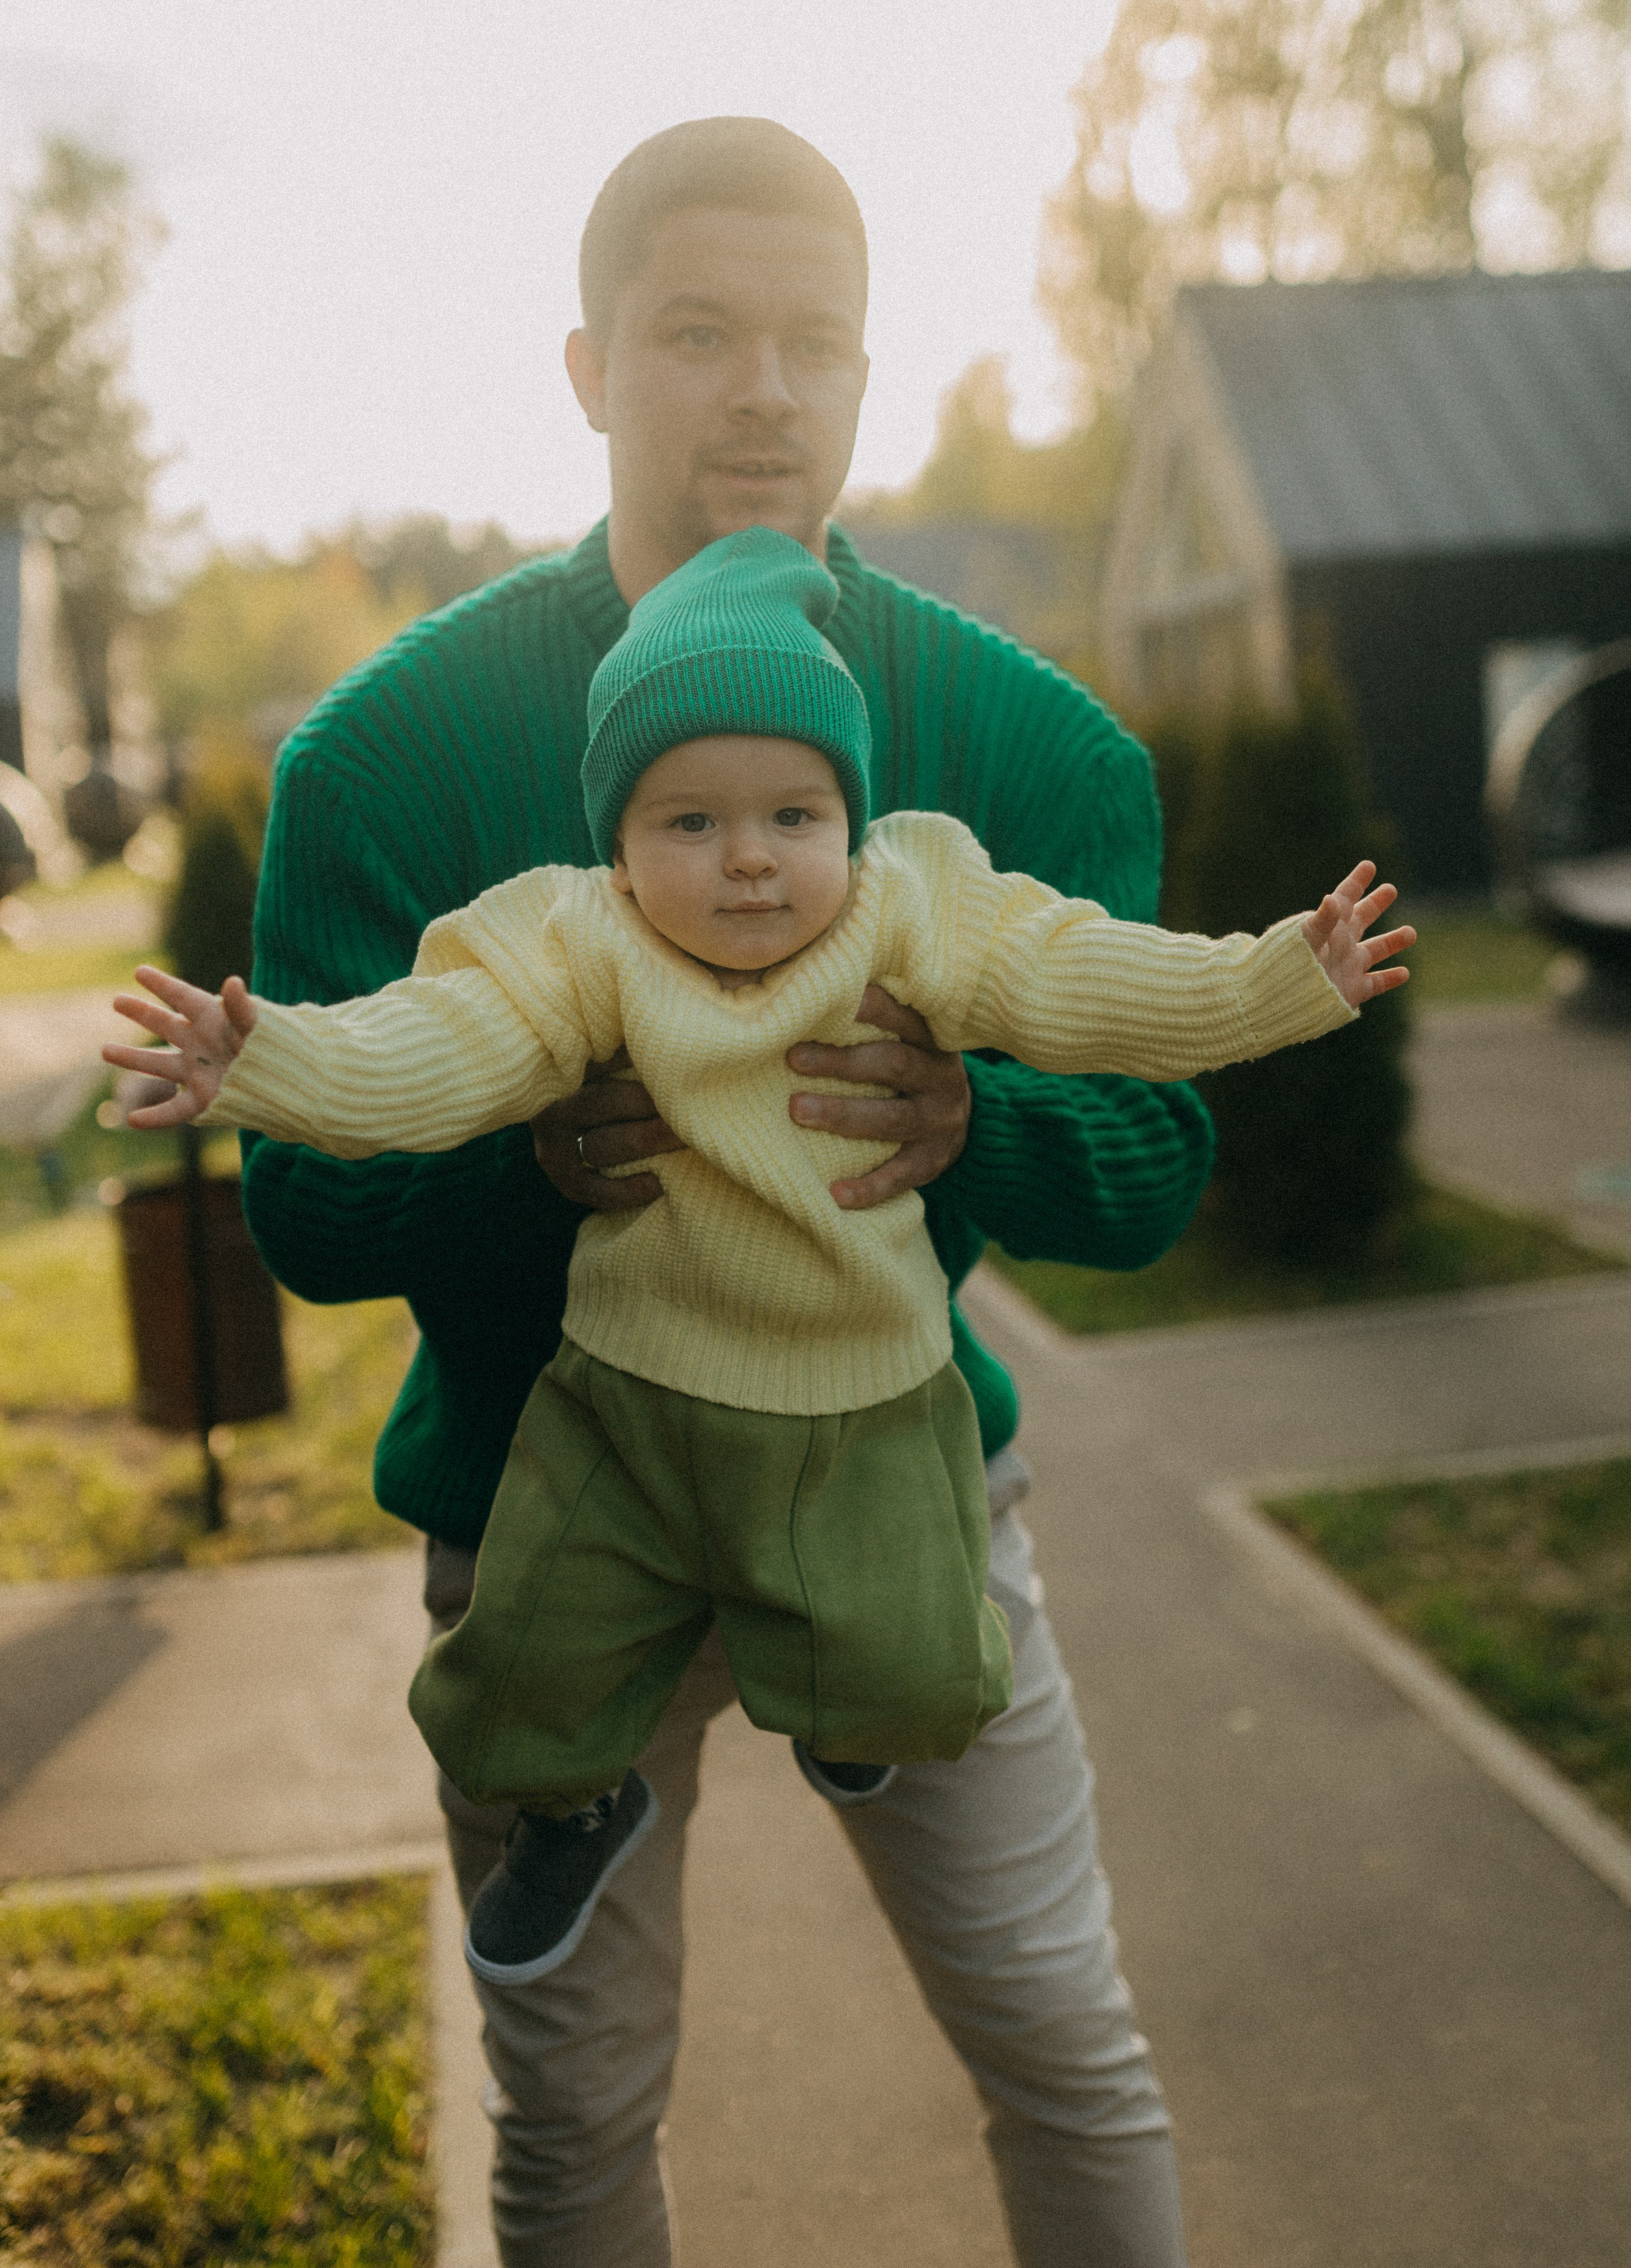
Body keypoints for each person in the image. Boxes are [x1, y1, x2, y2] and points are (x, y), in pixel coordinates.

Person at [211, 116, 1273, 2266]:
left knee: (1068, 2047)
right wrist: (513, 1168)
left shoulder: (1037, 751)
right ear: (592, 365)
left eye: (820, 343)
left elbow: (1159, 1165)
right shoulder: (383, 760)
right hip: (536, 1512)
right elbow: (307, 1219)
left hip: (900, 1495)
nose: (766, 392)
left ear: (871, 377)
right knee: (575, 2120)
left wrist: (986, 1121)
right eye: (701, 333)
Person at [104, 527, 1405, 1999]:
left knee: (918, 1671)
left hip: (864, 1399)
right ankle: (570, 1804)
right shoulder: (575, 940)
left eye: (792, 814)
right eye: (687, 823)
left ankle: (852, 1705)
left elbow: (1094, 982)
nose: (745, 861)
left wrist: (1279, 975)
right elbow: (426, 1048)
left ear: (850, 821)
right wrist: (260, 1061)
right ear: (615, 842)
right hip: (627, 1403)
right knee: (519, 1663)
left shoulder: (914, 907)